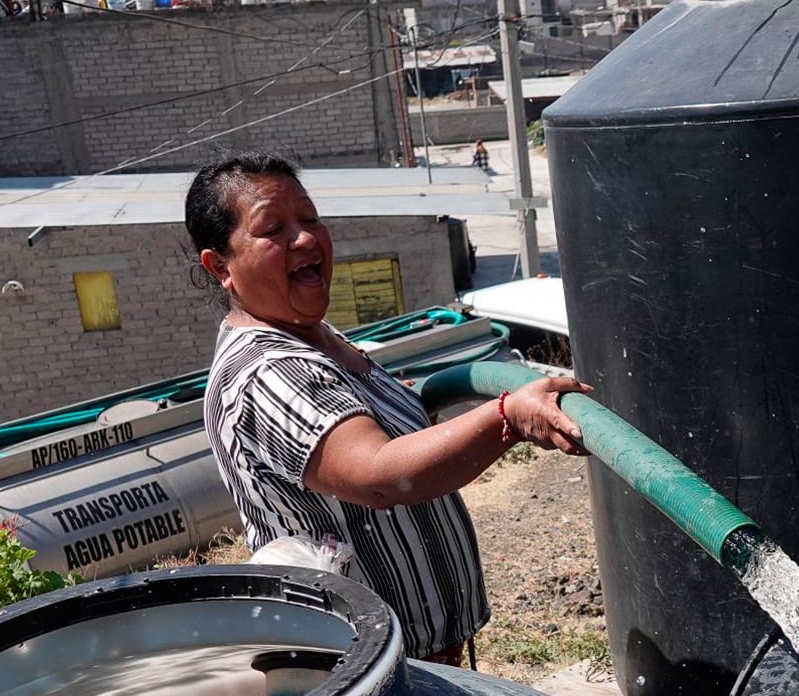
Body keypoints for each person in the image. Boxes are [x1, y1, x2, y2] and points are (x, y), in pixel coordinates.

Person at [186, 153, 588, 664]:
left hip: (416, 656)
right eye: (273, 229)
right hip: (372, 672)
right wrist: (508, 417)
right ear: (221, 266)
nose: (306, 239)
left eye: (309, 220)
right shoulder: (268, 371)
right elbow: (379, 476)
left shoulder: (315, 337)